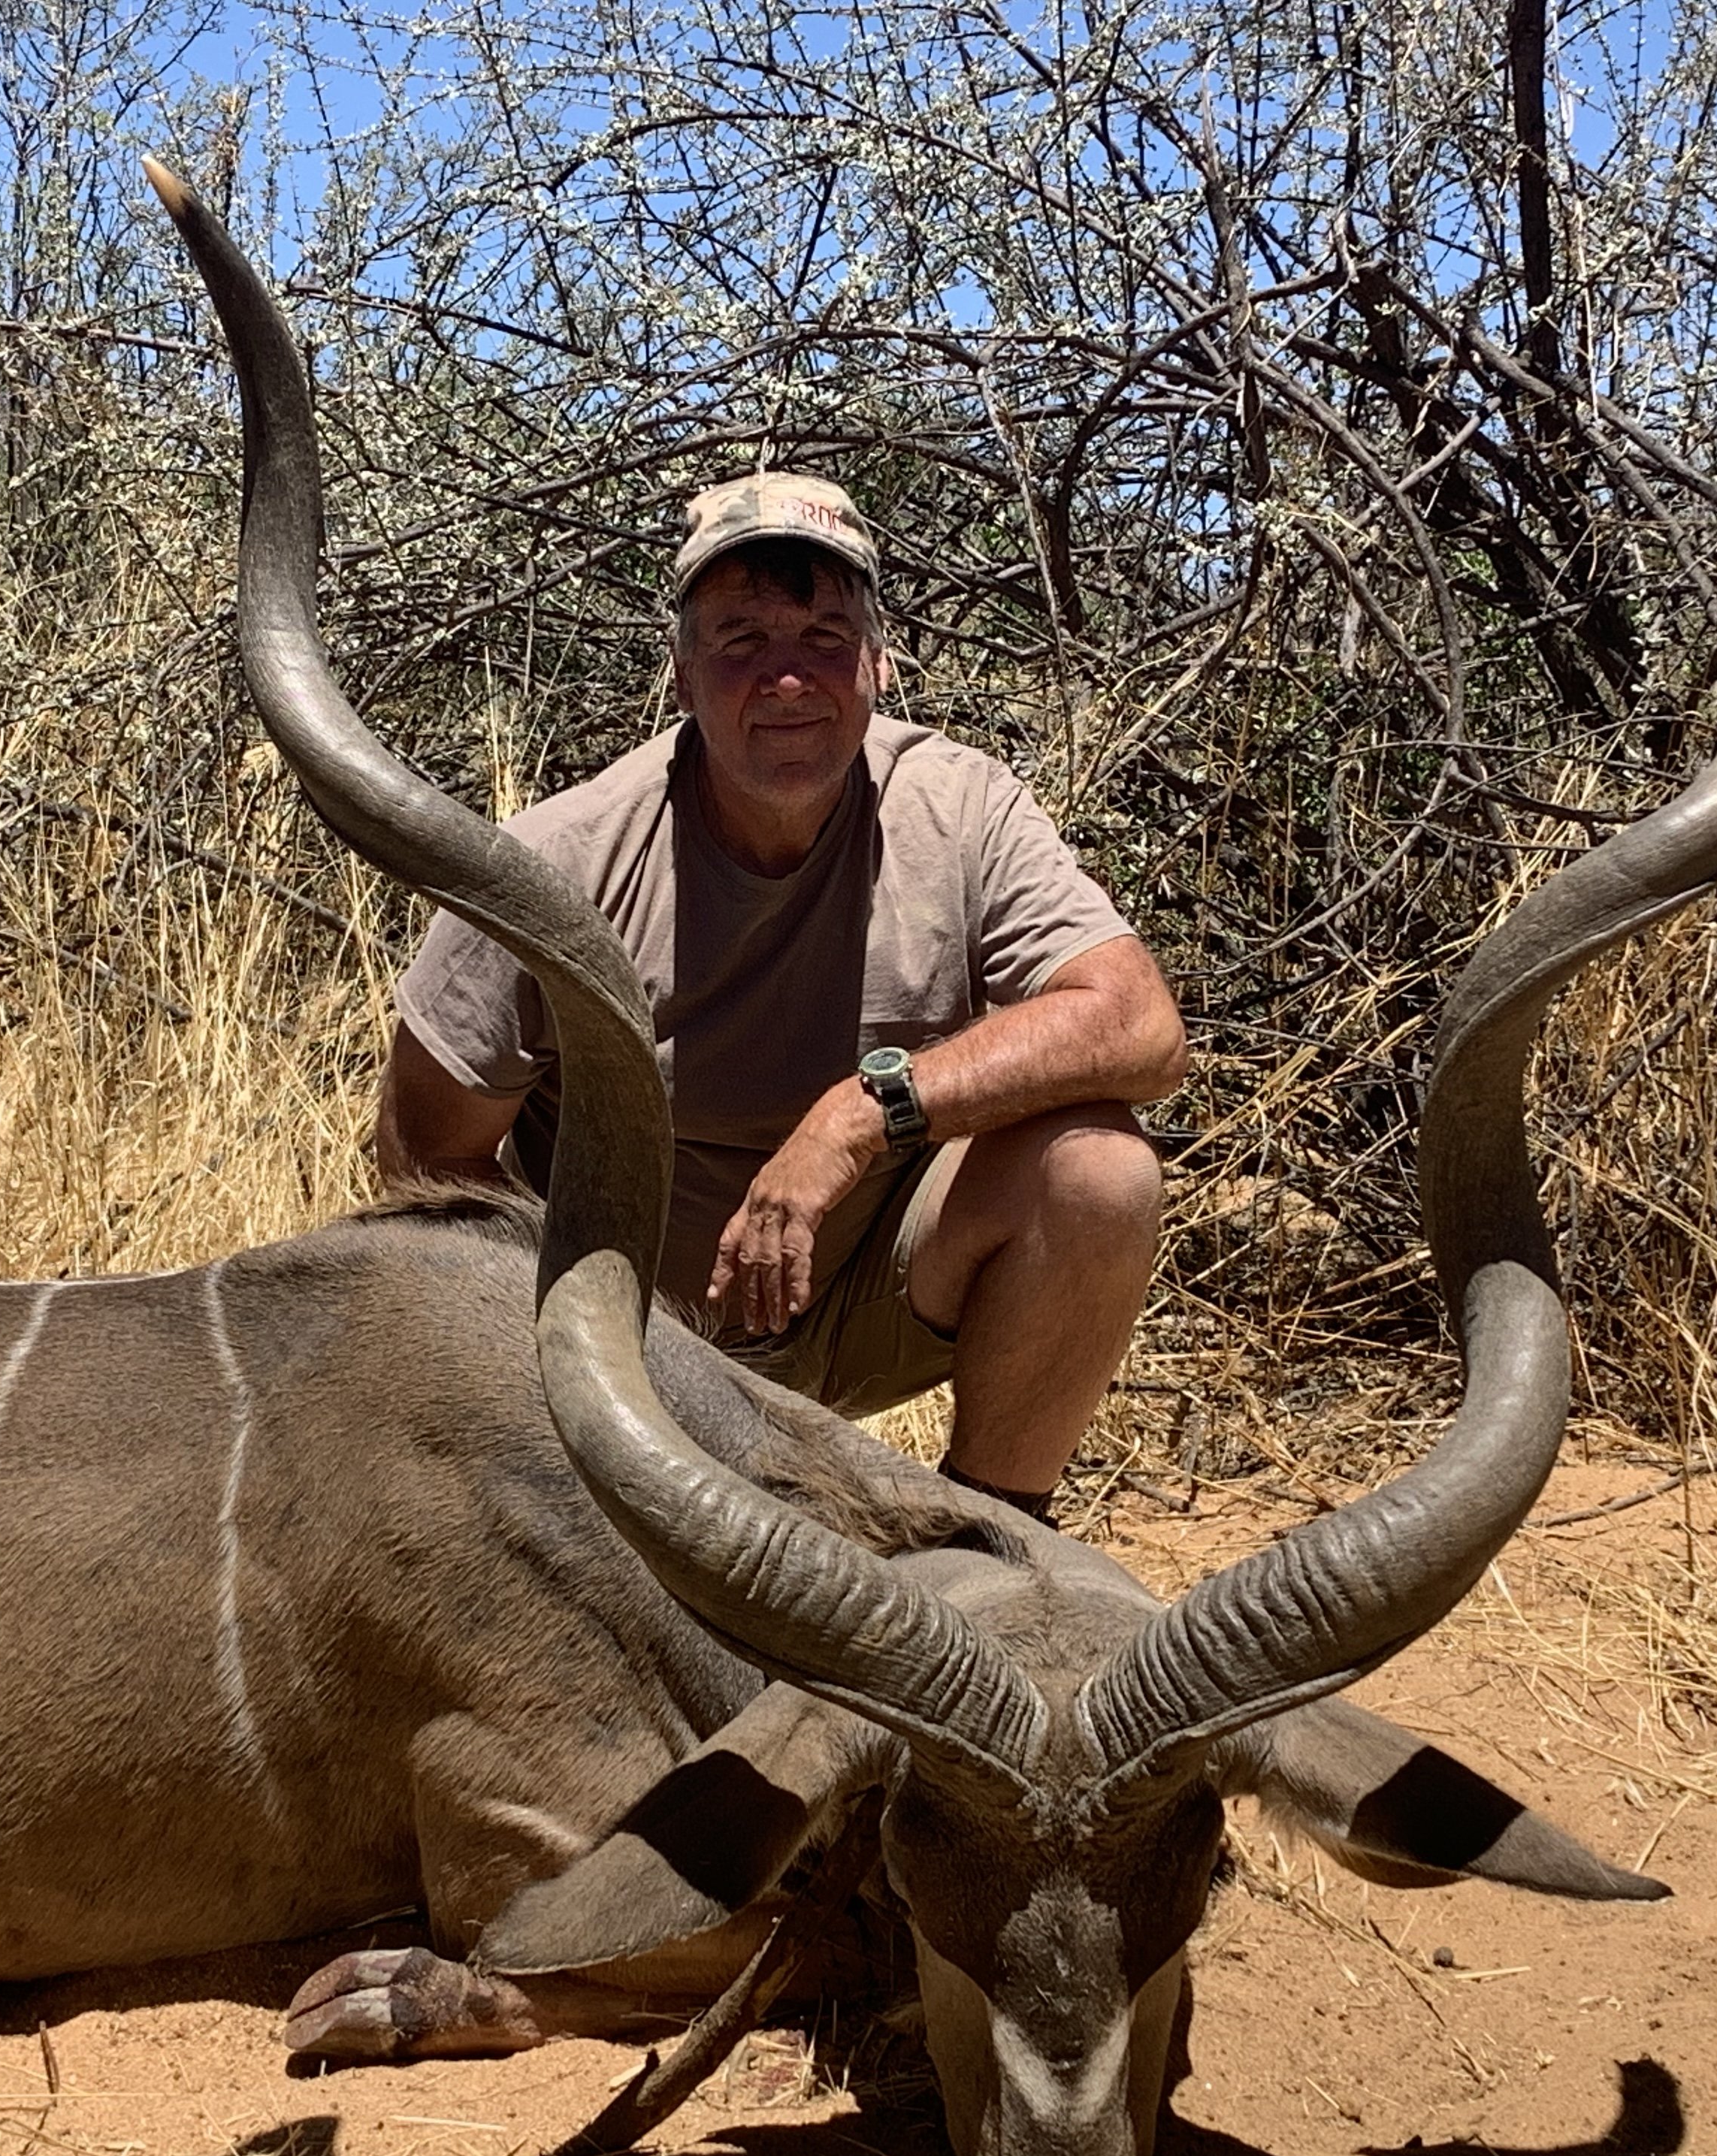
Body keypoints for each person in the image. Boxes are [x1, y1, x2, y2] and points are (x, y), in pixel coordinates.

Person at [378, 471, 1187, 1521]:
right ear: (680, 674)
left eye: (823, 636)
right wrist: (583, 1373)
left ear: (878, 663)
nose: (790, 680)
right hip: (634, 1347)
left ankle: (997, 1543)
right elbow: (423, 1167)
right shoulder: (558, 863)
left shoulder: (960, 807)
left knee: (1100, 1174)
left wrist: (856, 1118)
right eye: (742, 640)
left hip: (865, 1303)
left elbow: (1139, 1026)